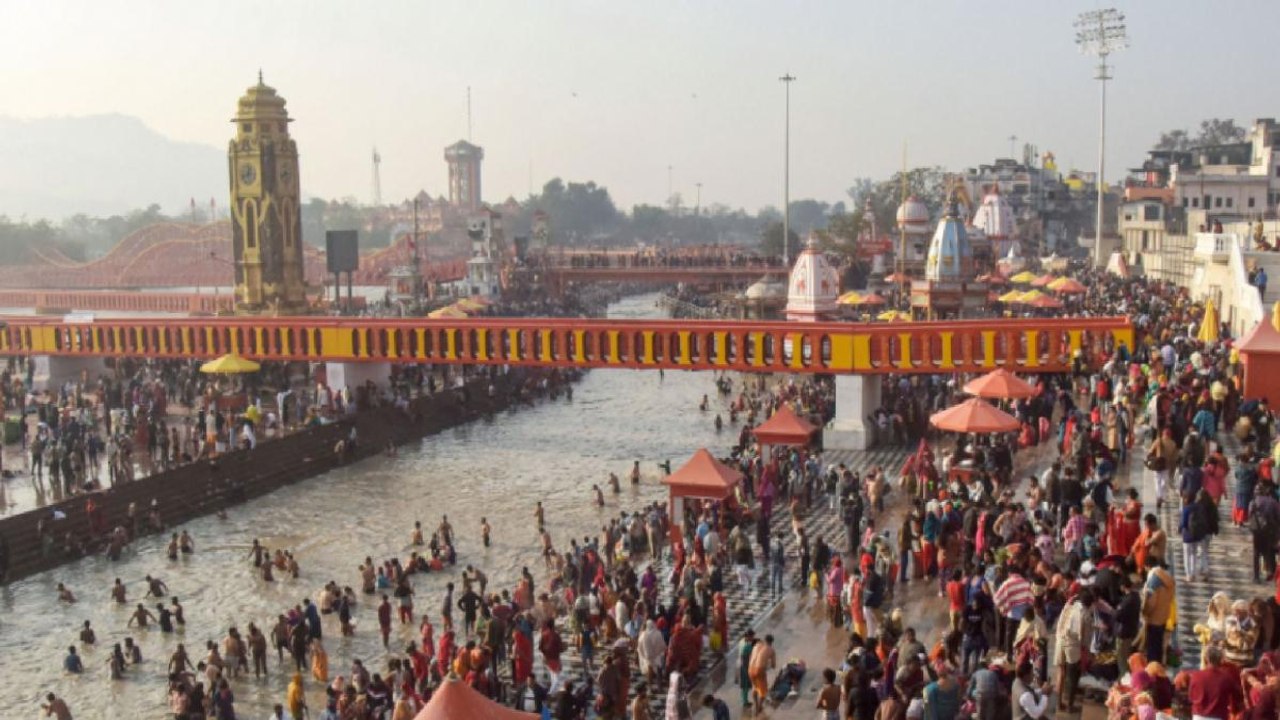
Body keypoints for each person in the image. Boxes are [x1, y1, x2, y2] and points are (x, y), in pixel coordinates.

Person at [1189, 646, 1242, 720]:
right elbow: (1237, 695)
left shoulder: (1196, 676)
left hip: (1198, 716)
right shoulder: (1226, 678)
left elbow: (1191, 697)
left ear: (1206, 659)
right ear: (1220, 660)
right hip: (1218, 716)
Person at [747, 633, 776, 713]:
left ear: (764, 640)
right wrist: (767, 666)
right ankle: (759, 707)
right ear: (771, 642)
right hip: (759, 670)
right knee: (763, 690)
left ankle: (756, 704)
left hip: (750, 668)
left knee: (755, 687)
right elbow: (773, 665)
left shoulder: (757, 645)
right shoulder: (771, 649)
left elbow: (751, 657)